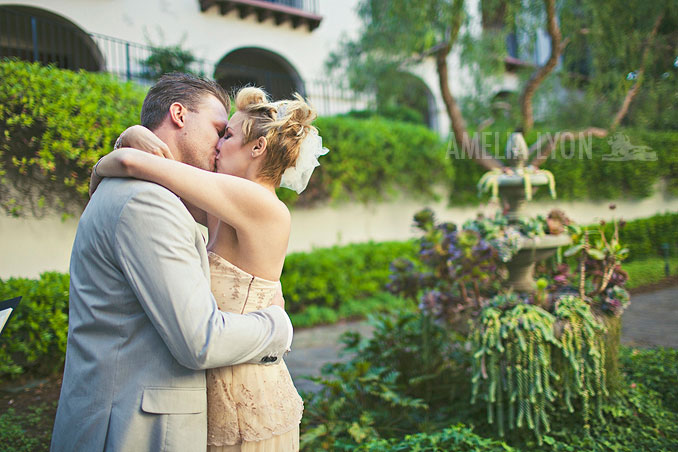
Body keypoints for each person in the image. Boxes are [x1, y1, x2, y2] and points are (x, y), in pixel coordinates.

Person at [51, 74, 294, 452]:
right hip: (132, 423)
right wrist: (278, 328)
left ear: (258, 146)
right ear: (178, 114)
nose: (218, 144)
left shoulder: (207, 202)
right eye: (218, 129)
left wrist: (116, 153)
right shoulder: (150, 201)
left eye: (227, 135)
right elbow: (200, 341)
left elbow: (133, 164)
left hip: (239, 400)